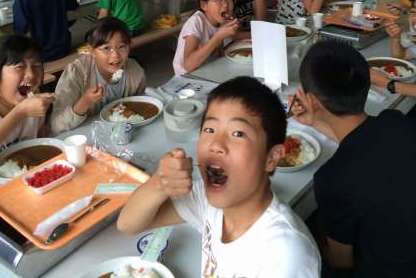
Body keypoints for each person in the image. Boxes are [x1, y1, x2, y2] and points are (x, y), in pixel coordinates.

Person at [118, 76, 321, 277]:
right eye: (209, 129)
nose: (216, 144)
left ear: (272, 157)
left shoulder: (284, 256)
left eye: (238, 133)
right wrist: (159, 184)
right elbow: (128, 224)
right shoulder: (205, 199)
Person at [292, 41, 416, 277]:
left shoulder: (332, 179)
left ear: (313, 101)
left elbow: (341, 262)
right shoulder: (395, 120)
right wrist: (316, 121)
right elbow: (361, 139)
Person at [50, 17, 146, 134]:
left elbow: (140, 109)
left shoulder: (135, 71)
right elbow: (56, 125)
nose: (115, 55)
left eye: (121, 46)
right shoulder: (76, 72)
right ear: (92, 51)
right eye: (106, 48)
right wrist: (85, 102)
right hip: (86, 137)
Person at [0, 35, 53, 153]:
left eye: (37, 66)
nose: (31, 75)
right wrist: (20, 112)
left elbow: (41, 144)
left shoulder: (35, 100)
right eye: (19, 67)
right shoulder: (26, 108)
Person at [172, 0, 238, 75]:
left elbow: (219, 52)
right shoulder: (196, 22)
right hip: (187, 77)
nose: (226, 4)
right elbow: (188, 65)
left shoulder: (220, 21)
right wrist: (218, 37)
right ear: (204, 5)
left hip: (208, 70)